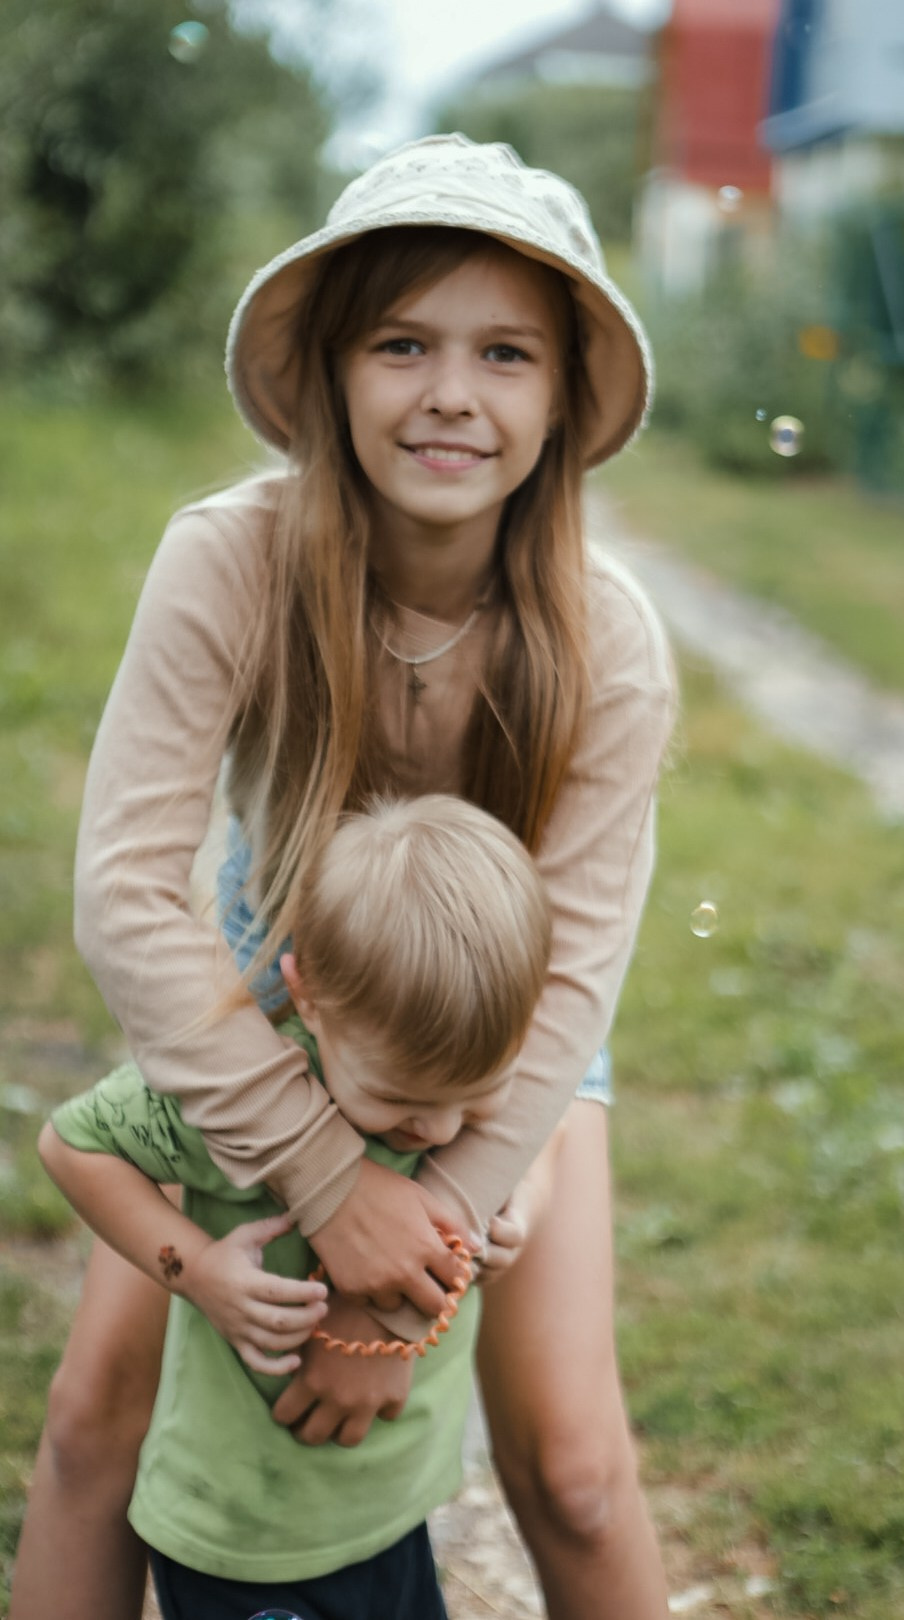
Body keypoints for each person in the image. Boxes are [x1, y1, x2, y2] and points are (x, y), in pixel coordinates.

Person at [10, 133, 676, 1620]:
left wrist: (434, 1224)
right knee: (89, 1433)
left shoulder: (606, 638)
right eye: (402, 343)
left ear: (562, 396)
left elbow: (572, 965)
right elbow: (124, 891)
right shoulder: (231, 560)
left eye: (506, 352)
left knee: (571, 1466)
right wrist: (324, 1176)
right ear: (330, 372)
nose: (451, 392)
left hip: (508, 1039)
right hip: (273, 991)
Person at [37, 795, 554, 1620]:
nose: (443, 1130)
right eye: (402, 1104)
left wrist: (510, 1203)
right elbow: (72, 1147)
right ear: (308, 997)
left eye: (477, 1101)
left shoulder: (463, 1058)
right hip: (242, 1535)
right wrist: (194, 1267)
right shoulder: (241, 1095)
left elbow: (532, 1138)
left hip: (390, 1516)